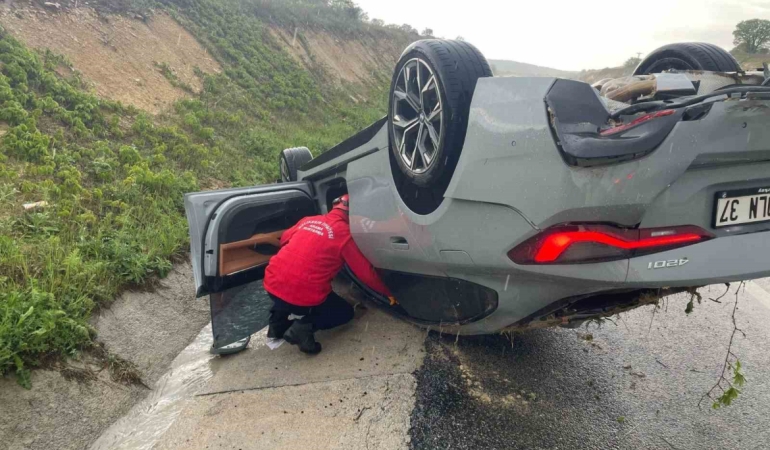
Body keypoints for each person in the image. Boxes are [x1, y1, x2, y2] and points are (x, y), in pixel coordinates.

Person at [263, 194, 392, 354]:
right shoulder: (344, 234)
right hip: (301, 299)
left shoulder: (308, 220)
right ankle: (303, 328)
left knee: (288, 282)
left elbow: (284, 239)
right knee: (344, 312)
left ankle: (277, 323)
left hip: (271, 286)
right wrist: (388, 293)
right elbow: (366, 274)